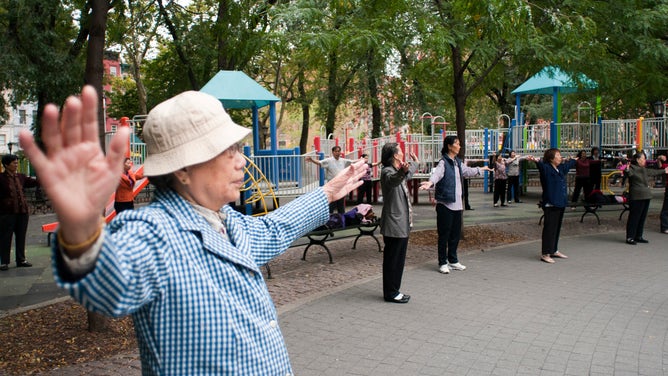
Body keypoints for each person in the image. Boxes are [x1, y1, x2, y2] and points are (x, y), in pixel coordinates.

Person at [19, 87, 366, 375]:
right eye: (227, 150)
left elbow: (274, 229)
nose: (241, 160)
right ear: (183, 169)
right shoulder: (153, 231)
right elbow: (109, 288)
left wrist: (328, 193)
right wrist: (81, 230)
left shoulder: (228, 221)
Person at [419, 136, 488, 274]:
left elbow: (467, 171)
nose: (459, 146)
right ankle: (442, 262)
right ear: (449, 146)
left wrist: (481, 169)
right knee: (444, 234)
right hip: (445, 204)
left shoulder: (457, 162)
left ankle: (453, 260)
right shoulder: (443, 162)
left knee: (455, 235)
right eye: (457, 143)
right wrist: (430, 182)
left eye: (459, 143)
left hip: (457, 205)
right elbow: (437, 175)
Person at [379, 143, 418, 303]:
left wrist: (416, 163)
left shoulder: (398, 171)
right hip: (394, 224)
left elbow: (407, 174)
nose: (402, 153)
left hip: (401, 224)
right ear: (395, 155)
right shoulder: (387, 172)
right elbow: (394, 181)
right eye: (400, 151)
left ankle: (394, 290)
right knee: (392, 260)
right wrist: (402, 171)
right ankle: (391, 292)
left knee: (398, 260)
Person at [527, 149, 576, 264]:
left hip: (560, 202)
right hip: (550, 203)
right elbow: (541, 166)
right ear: (551, 158)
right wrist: (536, 161)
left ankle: (554, 249)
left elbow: (568, 165)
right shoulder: (547, 168)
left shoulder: (560, 168)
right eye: (558, 155)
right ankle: (545, 253)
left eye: (560, 155)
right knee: (549, 228)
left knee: (557, 228)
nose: (560, 157)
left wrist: (574, 159)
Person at [0, 154, 38, 270]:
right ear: (6, 165)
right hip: (7, 213)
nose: (16, 165)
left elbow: (34, 182)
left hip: (22, 212)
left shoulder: (21, 177)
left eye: (16, 162)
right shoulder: (1, 178)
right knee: (6, 237)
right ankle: (4, 262)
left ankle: (21, 259)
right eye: (13, 163)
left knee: (21, 236)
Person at [624, 152, 668, 245]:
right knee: (634, 217)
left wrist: (664, 170)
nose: (645, 160)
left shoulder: (643, 169)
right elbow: (629, 173)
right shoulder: (632, 168)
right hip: (636, 196)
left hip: (646, 195)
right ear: (637, 159)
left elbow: (652, 172)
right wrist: (626, 170)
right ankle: (630, 237)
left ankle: (639, 235)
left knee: (642, 217)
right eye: (643, 158)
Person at [306, 145, 355, 213]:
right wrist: (312, 160)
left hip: (340, 186)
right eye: (336, 151)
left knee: (341, 204)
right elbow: (320, 163)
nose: (337, 153)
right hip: (332, 186)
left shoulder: (343, 161)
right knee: (331, 204)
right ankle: (329, 219)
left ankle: (341, 219)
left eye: (339, 151)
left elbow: (352, 162)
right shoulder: (329, 161)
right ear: (333, 152)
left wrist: (362, 160)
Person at [656, 155, 668, 234]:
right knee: (666, 209)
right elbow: (660, 166)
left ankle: (665, 226)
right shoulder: (666, 166)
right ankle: (664, 227)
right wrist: (659, 158)